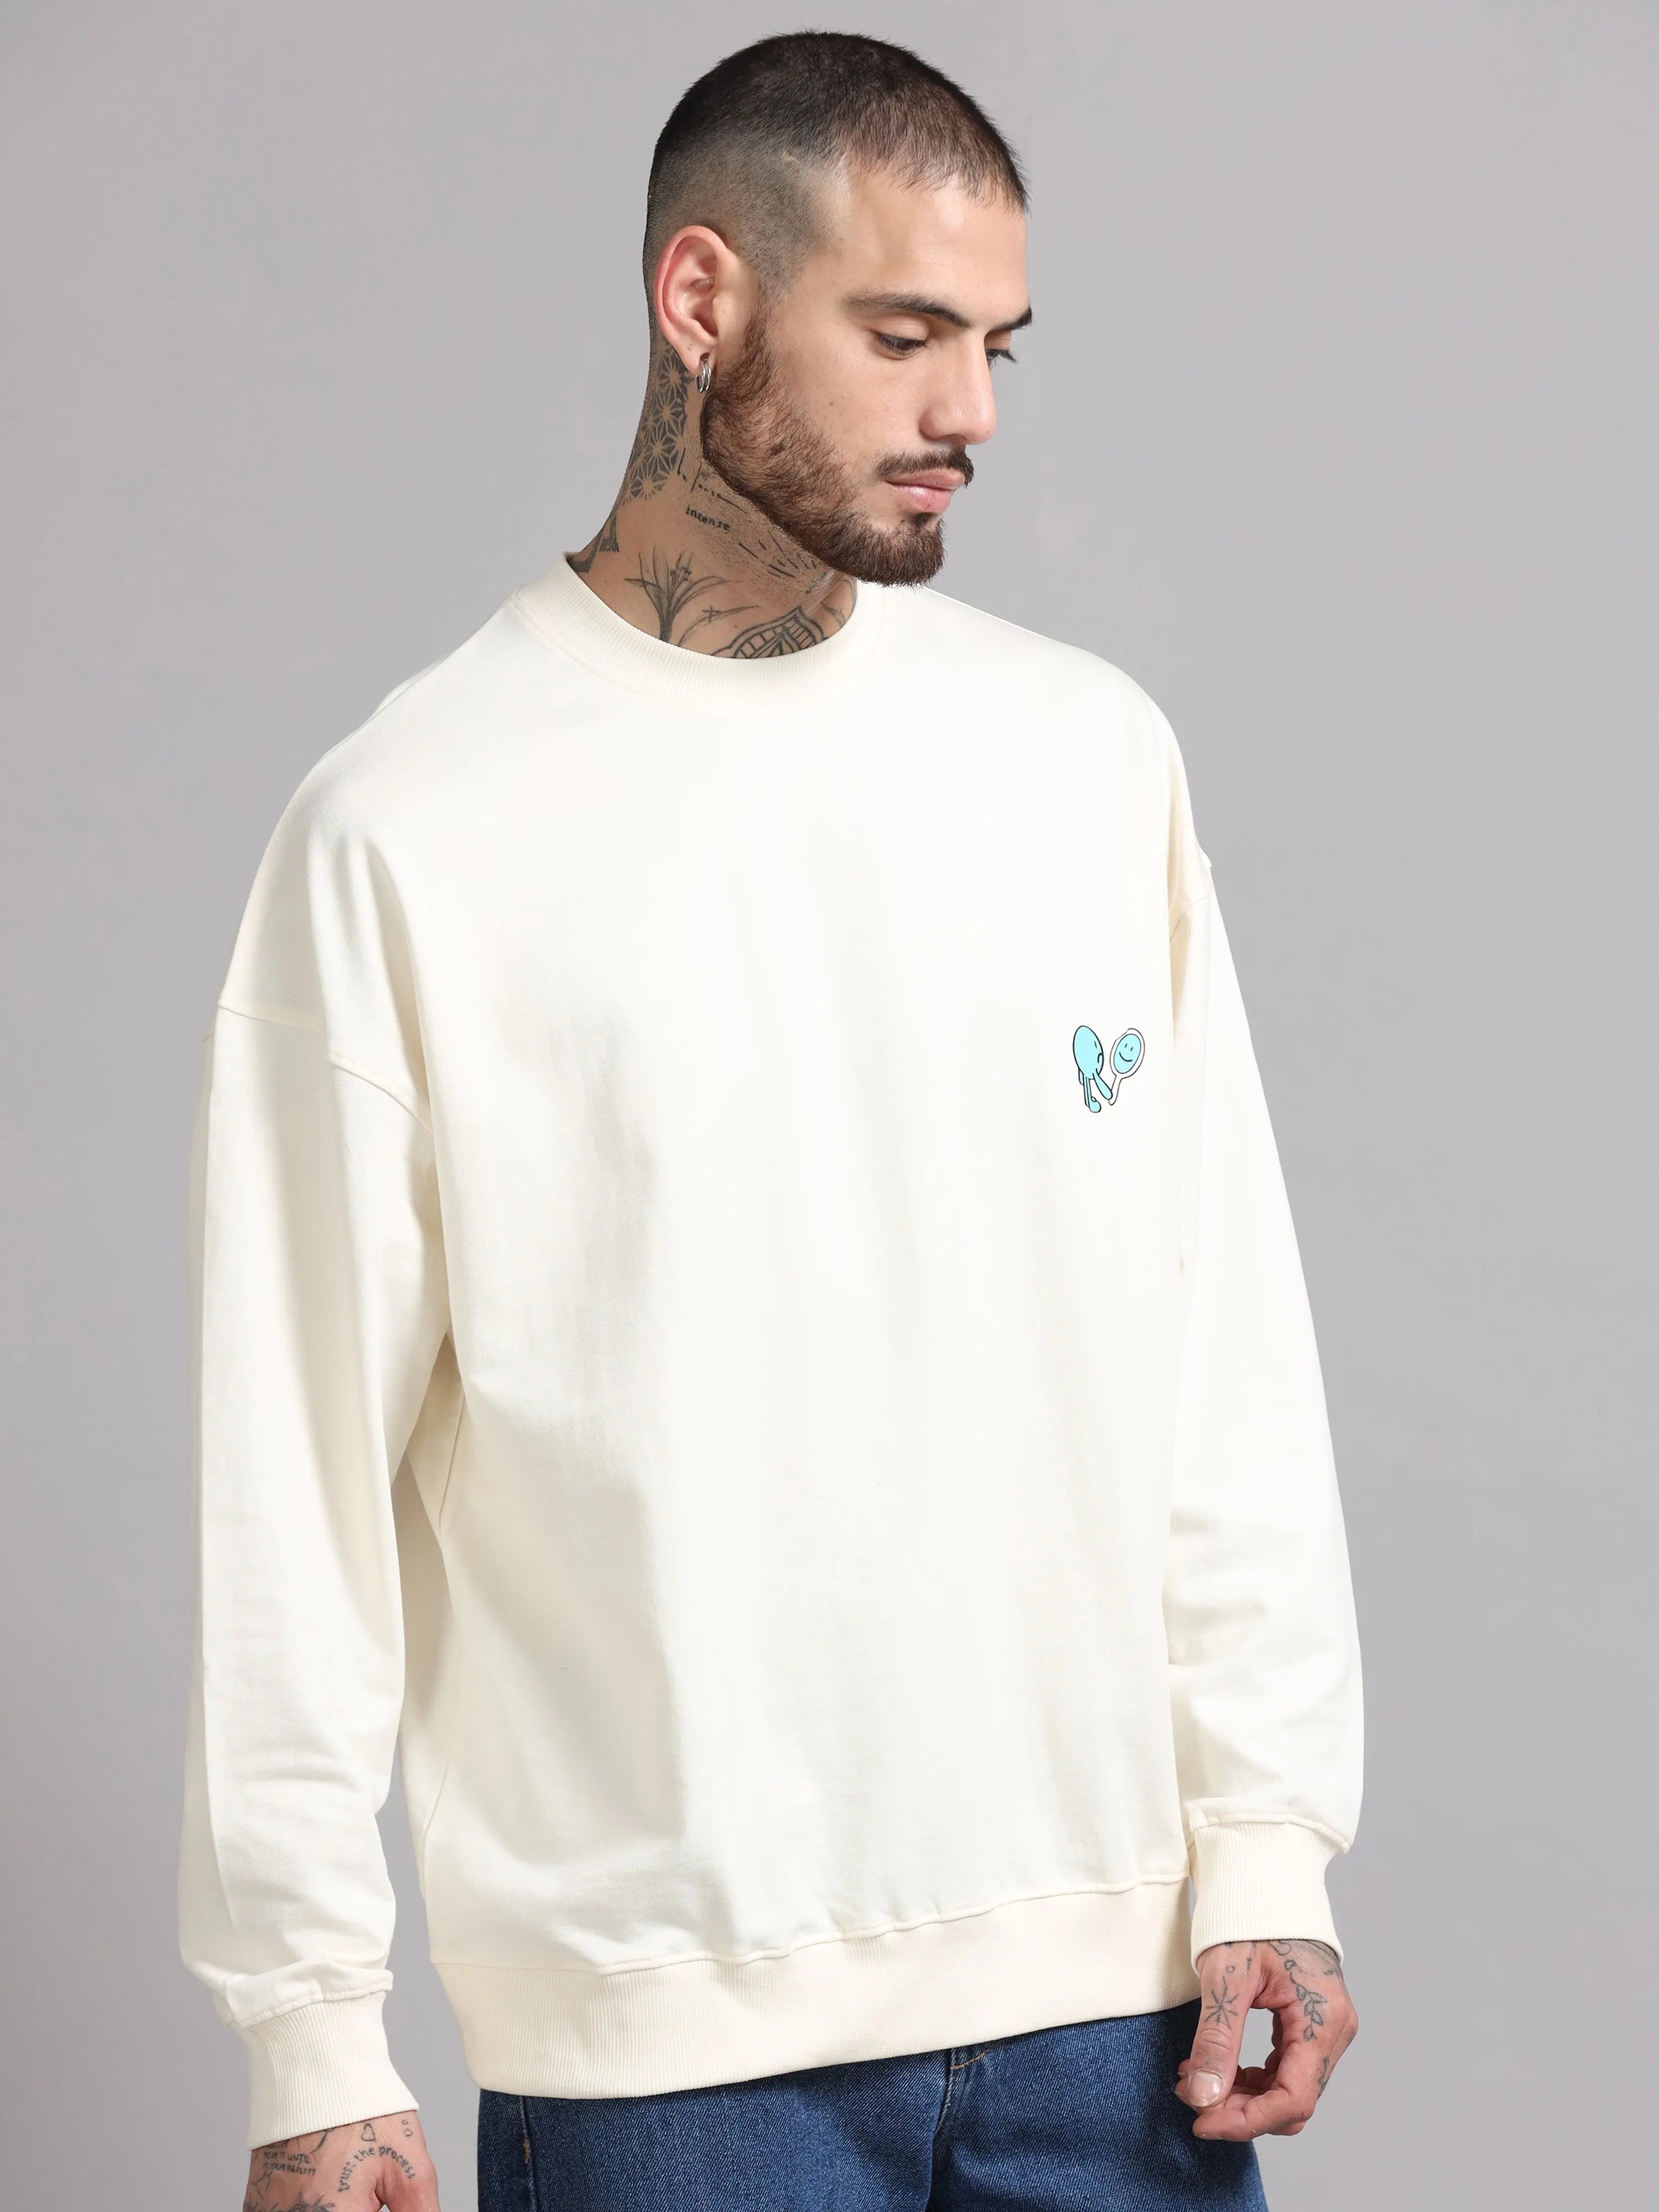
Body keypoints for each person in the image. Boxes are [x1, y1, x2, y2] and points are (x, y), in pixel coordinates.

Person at [180, 32, 1363, 2212]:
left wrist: (1269, 1843)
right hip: (672, 2070)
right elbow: (298, 1486)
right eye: (904, 336)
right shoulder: (413, 827)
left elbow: (1221, 1357)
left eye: (999, 344)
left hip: (1123, 2039)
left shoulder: (1086, 760)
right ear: (701, 299)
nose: (972, 410)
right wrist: (310, 2040)